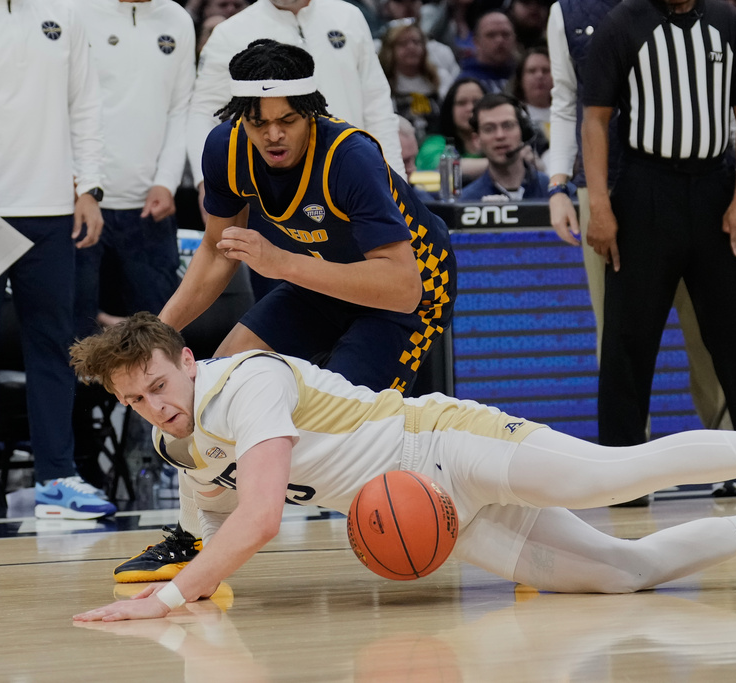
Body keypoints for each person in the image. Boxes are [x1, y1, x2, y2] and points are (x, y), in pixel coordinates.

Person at [70, 313, 736, 622]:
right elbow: (211, 520)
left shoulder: (243, 382)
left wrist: (168, 601)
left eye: (158, 385)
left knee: (613, 474)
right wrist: (195, 586)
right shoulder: (175, 437)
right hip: (431, 515)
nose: (154, 405)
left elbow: (255, 519)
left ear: (187, 359)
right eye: (135, 400)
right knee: (623, 574)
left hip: (439, 445)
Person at [112, 39, 456, 581]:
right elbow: (216, 251)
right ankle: (193, 539)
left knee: (339, 431)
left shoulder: (350, 155)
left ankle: (474, 508)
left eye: (288, 120)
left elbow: (401, 286)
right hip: (316, 278)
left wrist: (283, 263)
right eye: (258, 122)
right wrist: (158, 333)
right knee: (210, 393)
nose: (273, 134)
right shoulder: (224, 148)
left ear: (311, 114)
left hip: (404, 293)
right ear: (238, 119)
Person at [582, 0, 736, 500]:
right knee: (627, 337)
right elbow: (594, 118)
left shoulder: (728, 23)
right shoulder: (623, 23)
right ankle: (621, 475)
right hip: (645, 188)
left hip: (715, 187)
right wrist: (599, 204)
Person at [546, 0, 736, 509]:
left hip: (698, 182)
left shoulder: (695, 8)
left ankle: (732, 458)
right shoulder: (567, 11)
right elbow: (564, 100)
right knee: (618, 333)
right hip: (604, 191)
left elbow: (723, 96)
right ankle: (628, 464)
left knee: (711, 326)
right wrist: (559, 185)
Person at [0, 0, 116, 525]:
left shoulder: (68, 12)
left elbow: (86, 104)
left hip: (53, 210)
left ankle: (57, 477)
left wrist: (90, 187)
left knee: (56, 347)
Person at [186, 0, 404, 222]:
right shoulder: (231, 32)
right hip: (272, 198)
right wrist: (206, 181)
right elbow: (204, 112)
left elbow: (377, 106)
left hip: (354, 183)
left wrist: (395, 180)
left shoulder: (349, 16)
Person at [71, 0, 195, 339]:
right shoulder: (74, 12)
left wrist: (166, 182)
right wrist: (80, 184)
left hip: (148, 211)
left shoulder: (178, 19)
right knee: (75, 338)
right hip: (78, 204)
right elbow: (61, 104)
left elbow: (179, 108)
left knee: (157, 338)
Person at [460, 93, 549, 201]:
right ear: (477, 140)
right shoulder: (467, 201)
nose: (500, 135)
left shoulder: (554, 192)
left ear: (523, 132)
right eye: (489, 129)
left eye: (508, 125)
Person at [379, 21, 444, 144]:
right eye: (403, 43)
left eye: (416, 42)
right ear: (390, 49)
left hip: (437, 143)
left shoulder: (440, 77)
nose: (411, 47)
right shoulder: (382, 82)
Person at [414, 76, 488, 181]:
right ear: (449, 109)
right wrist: (498, 164)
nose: (470, 108)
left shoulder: (498, 137)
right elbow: (443, 167)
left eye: (477, 102)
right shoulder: (434, 143)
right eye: (462, 103)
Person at [456, 11, 519, 94]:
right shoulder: (464, 83)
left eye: (505, 34)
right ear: (476, 42)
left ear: (515, 39)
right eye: (491, 35)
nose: (500, 40)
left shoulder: (524, 76)